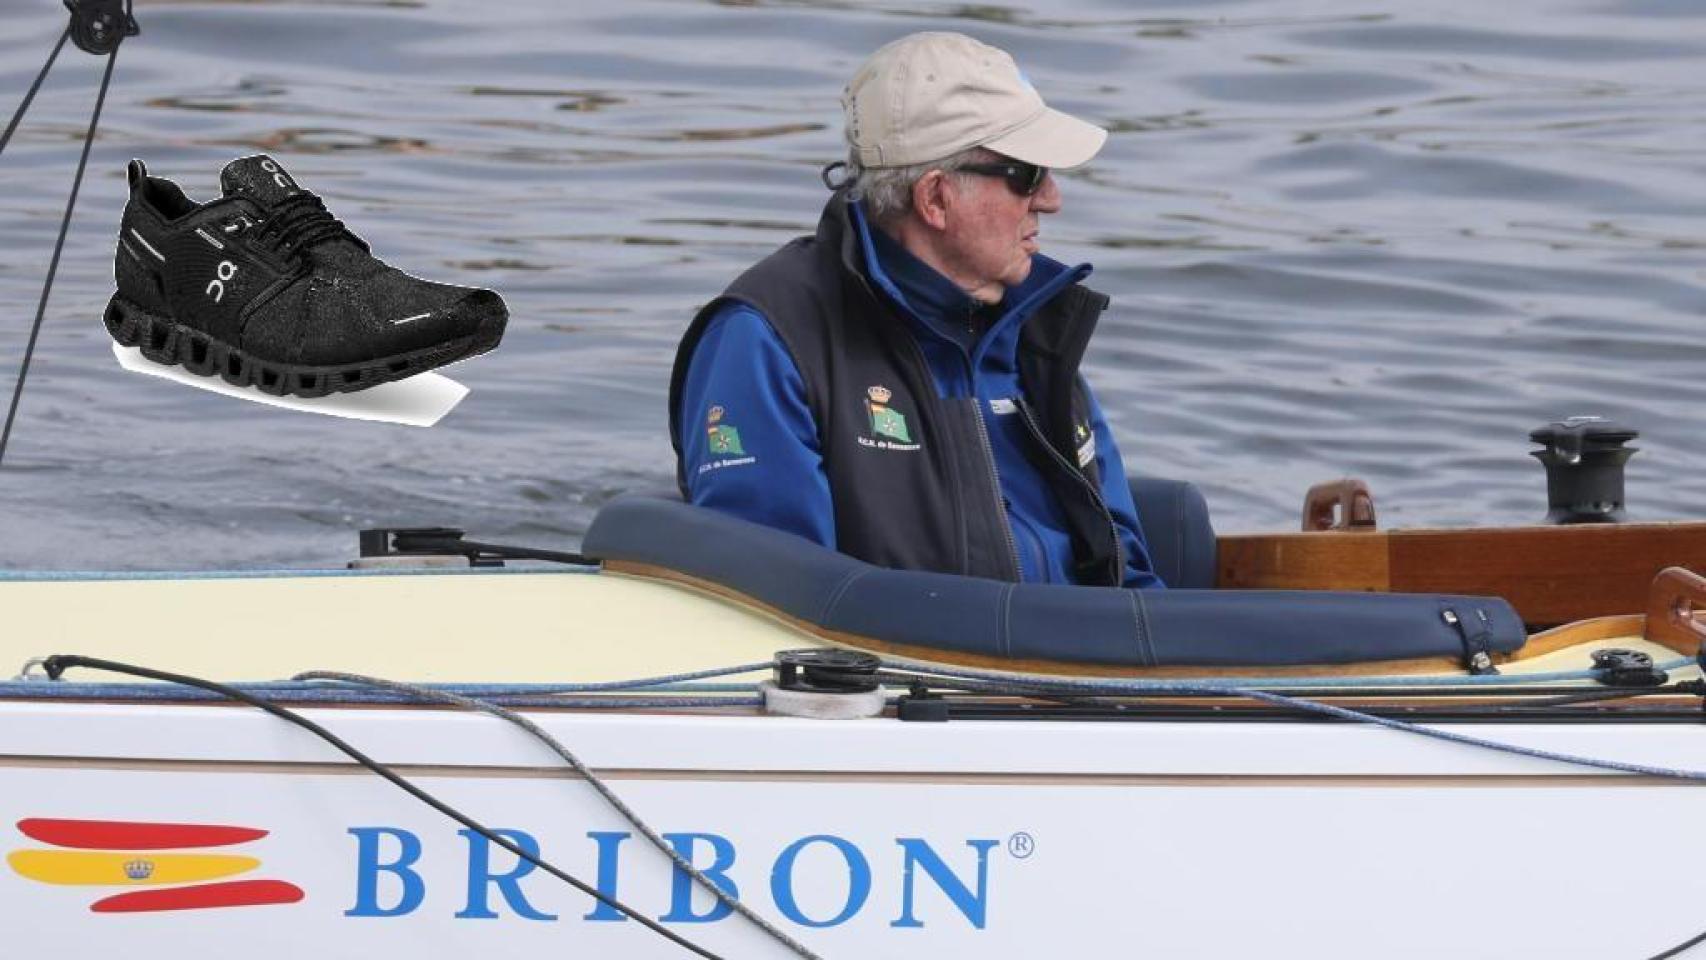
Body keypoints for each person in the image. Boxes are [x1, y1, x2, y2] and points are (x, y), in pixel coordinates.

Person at [669, 31, 1162, 588]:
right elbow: (776, 603)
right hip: (908, 671)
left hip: (1069, 666)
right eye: (1026, 174)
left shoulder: (1037, 335)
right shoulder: (765, 340)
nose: (1051, 198)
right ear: (935, 198)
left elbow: (1130, 581)